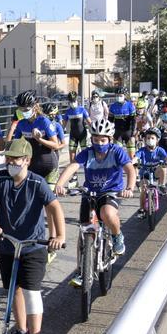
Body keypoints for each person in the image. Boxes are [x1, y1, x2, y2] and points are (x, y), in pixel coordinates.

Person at [0, 138, 66, 334]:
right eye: (7, 159)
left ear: (27, 161)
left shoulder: (37, 183)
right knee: (13, 289)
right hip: (7, 244)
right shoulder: (0, 180)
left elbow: (55, 208)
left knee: (31, 291)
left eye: (15, 159)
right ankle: (20, 330)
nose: (10, 163)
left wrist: (59, 236)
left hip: (33, 246)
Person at [55, 120, 137, 286]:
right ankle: (81, 271)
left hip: (110, 192)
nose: (99, 143)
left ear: (110, 139)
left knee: (106, 213)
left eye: (103, 140)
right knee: (85, 230)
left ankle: (116, 236)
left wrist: (129, 187)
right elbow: (72, 166)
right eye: (96, 139)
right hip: (90, 193)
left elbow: (130, 169)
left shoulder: (117, 152)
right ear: (91, 139)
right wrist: (60, 184)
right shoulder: (87, 152)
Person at [8, 91, 63, 182]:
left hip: (49, 165)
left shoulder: (43, 121)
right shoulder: (21, 124)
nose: (23, 112)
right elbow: (16, 145)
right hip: (32, 166)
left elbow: (56, 145)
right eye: (21, 110)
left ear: (35, 106)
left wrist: (39, 139)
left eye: (26, 110)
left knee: (49, 195)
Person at [135, 127, 167, 209]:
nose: (150, 140)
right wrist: (133, 161)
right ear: (145, 139)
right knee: (143, 190)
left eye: (152, 138)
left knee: (163, 167)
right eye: (148, 138)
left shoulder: (160, 150)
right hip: (144, 174)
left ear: (157, 140)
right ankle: (141, 209)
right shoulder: (142, 150)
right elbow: (136, 157)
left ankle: (162, 185)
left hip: (156, 172)